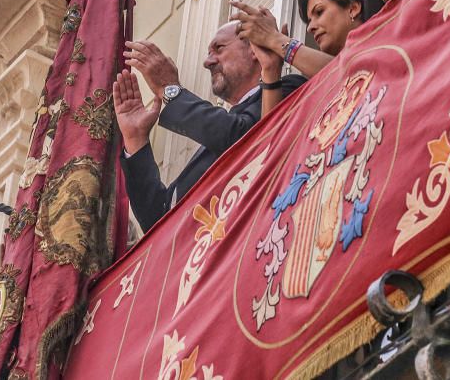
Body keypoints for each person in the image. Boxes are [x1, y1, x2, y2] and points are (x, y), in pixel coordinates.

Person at [114, 22, 306, 230]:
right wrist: (136, 140)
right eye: (208, 53)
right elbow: (158, 220)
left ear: (254, 49)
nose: (207, 62)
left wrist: (170, 89)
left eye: (219, 48)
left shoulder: (288, 88)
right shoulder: (215, 138)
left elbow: (246, 140)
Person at [232, 0, 365, 115]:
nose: (310, 28)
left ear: (353, 8)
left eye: (319, 12)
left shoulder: (385, 46)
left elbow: (353, 72)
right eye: (308, 21)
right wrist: (271, 70)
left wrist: (275, 39)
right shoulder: (317, 90)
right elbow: (273, 136)